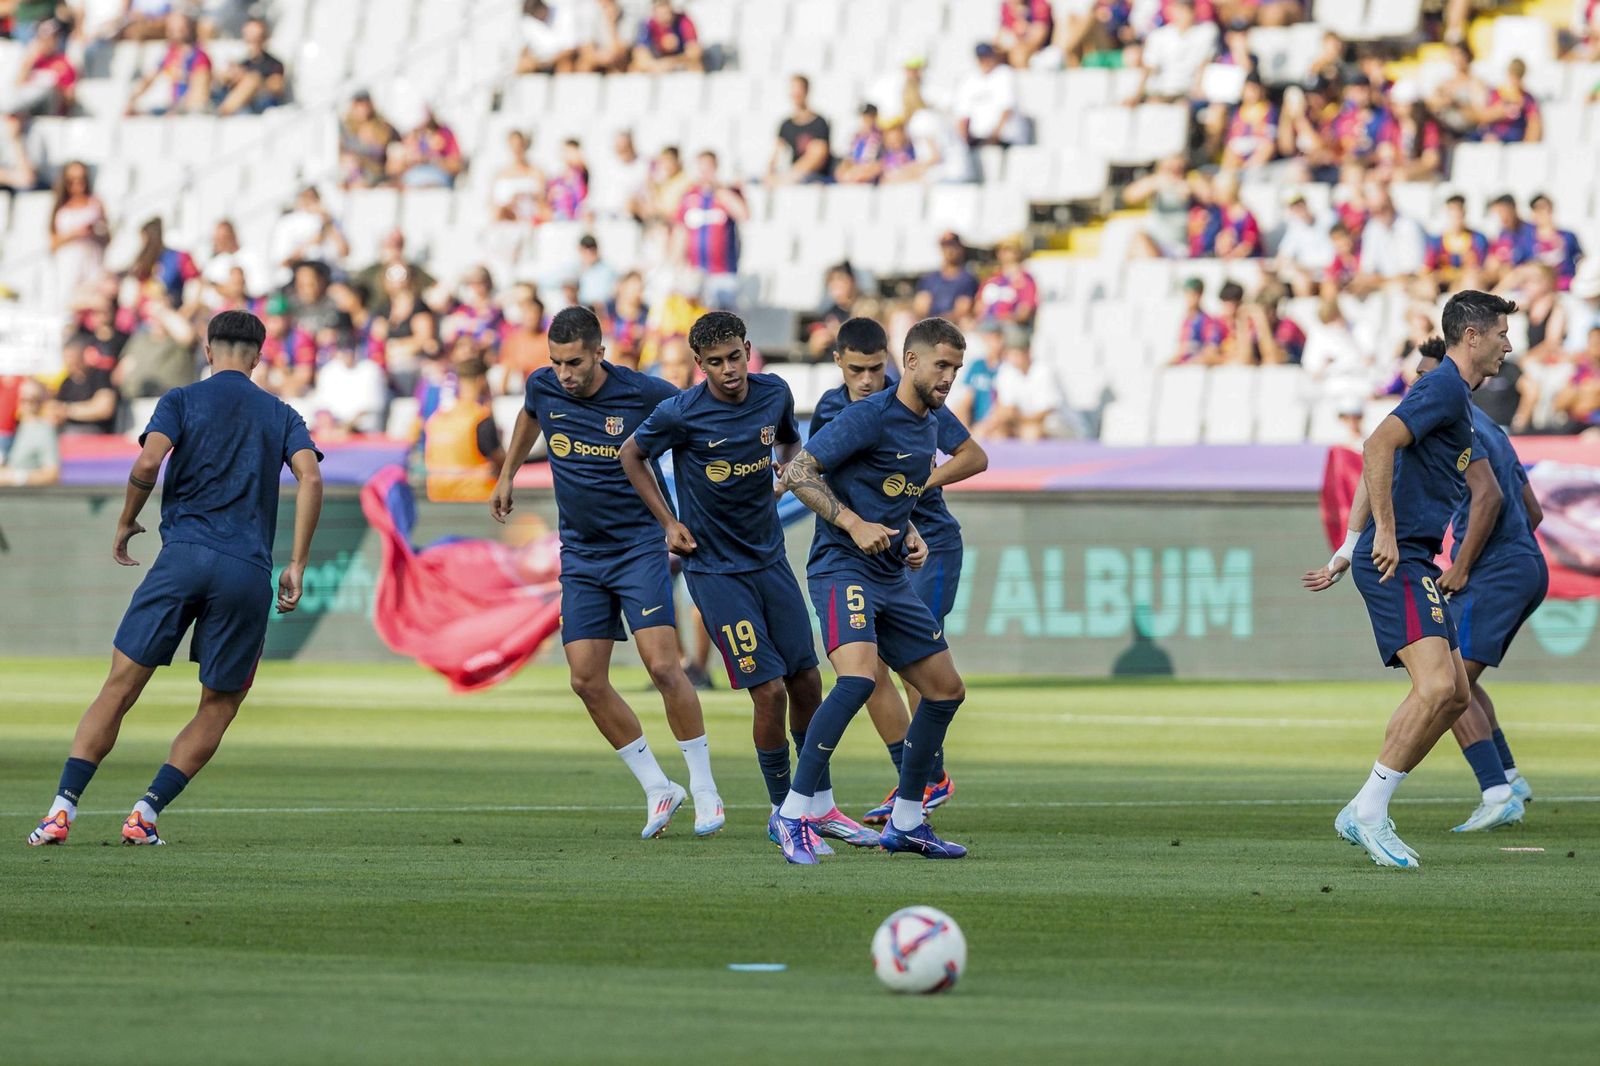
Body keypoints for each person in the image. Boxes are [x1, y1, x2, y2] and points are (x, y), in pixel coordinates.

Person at [26, 310, 323, 848]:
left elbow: (147, 462)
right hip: (245, 567)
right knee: (220, 703)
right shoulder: (282, 414)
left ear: (208, 351)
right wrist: (297, 561)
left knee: (119, 687)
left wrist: (125, 519)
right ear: (257, 356)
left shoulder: (181, 401)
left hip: (181, 556)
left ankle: (59, 812)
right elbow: (311, 477)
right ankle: (145, 812)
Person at [619, 312, 877, 850]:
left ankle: (818, 806)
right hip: (715, 571)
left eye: (735, 356)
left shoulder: (773, 393)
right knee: (769, 691)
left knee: (808, 681)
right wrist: (668, 522)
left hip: (770, 559)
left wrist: (785, 471)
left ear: (748, 350)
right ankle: (785, 809)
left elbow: (787, 443)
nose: (729, 369)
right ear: (699, 365)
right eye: (715, 362)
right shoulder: (680, 413)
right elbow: (632, 454)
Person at [490, 306, 723, 839]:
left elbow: (695, 418)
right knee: (585, 679)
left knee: (666, 668)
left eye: (574, 362)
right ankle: (659, 788)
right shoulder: (545, 386)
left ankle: (706, 788)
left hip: (638, 546)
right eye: (557, 363)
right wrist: (508, 473)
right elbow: (530, 412)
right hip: (581, 554)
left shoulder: (643, 393)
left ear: (600, 352)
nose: (565, 374)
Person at [1303, 290, 1516, 869]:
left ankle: (1365, 808)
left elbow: (1397, 464)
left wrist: (1349, 546)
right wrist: (1384, 537)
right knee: (1437, 689)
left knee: (1455, 693)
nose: (1508, 343)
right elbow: (1376, 445)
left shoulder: (1459, 404)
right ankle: (1369, 813)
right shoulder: (1443, 386)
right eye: (1500, 332)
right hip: (1400, 558)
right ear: (1471, 336)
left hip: (1411, 556)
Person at [774, 316, 972, 863]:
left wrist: (907, 530)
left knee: (945, 689)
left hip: (889, 573)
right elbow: (798, 473)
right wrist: (853, 524)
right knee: (859, 677)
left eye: (955, 368)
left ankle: (908, 820)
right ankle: (792, 815)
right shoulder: (867, 415)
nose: (949, 377)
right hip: (841, 566)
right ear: (908, 362)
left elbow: (888, 489)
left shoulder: (928, 424)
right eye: (941, 365)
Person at [1401, 340, 1543, 831]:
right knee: (1462, 678)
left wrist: (1463, 566)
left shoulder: (1458, 425)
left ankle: (1497, 791)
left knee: (1446, 686)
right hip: (1522, 563)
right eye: (1414, 376)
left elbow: (1488, 498)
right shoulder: (1493, 428)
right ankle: (1507, 776)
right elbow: (1533, 511)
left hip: (1495, 571)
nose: (1417, 384)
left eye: (1425, 375)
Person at [673, 150, 746, 310]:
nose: (705, 172)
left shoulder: (727, 193)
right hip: (695, 271)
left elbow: (743, 214)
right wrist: (677, 264)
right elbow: (680, 231)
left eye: (709, 167)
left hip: (723, 271)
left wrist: (719, 190)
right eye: (701, 167)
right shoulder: (689, 196)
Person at [423, 357, 502, 501]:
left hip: (438, 499)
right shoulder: (479, 418)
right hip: (476, 498)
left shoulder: (437, 418)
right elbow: (501, 462)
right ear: (481, 381)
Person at [125, 11, 210, 115]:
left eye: (179, 27)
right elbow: (149, 79)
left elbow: (199, 95)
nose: (173, 30)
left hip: (189, 110)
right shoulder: (170, 53)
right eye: (171, 27)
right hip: (174, 107)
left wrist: (178, 111)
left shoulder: (199, 56)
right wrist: (132, 99)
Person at [49, 160, 109, 305]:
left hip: (91, 260)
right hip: (70, 262)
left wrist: (94, 232)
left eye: (82, 178)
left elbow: (107, 237)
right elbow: (52, 243)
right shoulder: (60, 207)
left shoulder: (95, 203)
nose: (78, 184)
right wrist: (74, 234)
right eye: (72, 180)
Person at [212, 15, 286, 115]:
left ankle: (221, 112)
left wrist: (254, 81)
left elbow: (277, 86)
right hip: (241, 106)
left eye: (256, 37)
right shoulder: (243, 63)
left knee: (252, 79)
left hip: (260, 104)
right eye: (249, 36)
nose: (252, 40)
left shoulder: (273, 63)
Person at [768, 75, 833, 185]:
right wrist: (771, 174)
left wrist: (790, 175)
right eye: (793, 89)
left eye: (799, 89)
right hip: (789, 176)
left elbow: (817, 157)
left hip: (811, 177)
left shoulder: (819, 123)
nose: (796, 93)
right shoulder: (785, 124)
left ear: (806, 91)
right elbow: (777, 155)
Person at [955, 43, 1023, 147]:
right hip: (978, 138)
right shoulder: (969, 79)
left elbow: (1007, 108)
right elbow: (963, 115)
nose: (984, 61)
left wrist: (995, 135)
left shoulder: (1005, 74)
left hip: (1003, 138)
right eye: (981, 58)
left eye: (987, 57)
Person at [54, 337, 118, 435]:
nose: (69, 362)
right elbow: (56, 413)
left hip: (96, 434)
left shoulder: (99, 376)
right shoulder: (66, 383)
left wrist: (67, 410)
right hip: (68, 434)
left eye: (72, 357)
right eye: (66, 357)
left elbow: (104, 409)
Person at [0, 379, 59, 485]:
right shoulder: (10, 427)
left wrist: (17, 477)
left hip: (26, 497)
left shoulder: (44, 430)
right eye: (23, 398)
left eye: (32, 399)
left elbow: (52, 474)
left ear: (41, 402)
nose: (26, 403)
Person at [914, 231, 979, 322]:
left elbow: (962, 310)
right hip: (929, 324)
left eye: (953, 246)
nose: (949, 250)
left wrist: (937, 322)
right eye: (945, 246)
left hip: (953, 327)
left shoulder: (968, 279)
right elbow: (920, 307)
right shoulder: (929, 279)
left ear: (961, 248)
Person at [631, 0, 702, 73]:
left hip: (680, 63)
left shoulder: (683, 21)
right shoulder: (647, 24)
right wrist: (656, 65)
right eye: (659, 6)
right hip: (656, 64)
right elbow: (640, 54)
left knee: (696, 66)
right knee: (635, 68)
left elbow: (694, 51)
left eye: (665, 5)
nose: (663, 10)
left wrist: (672, 62)